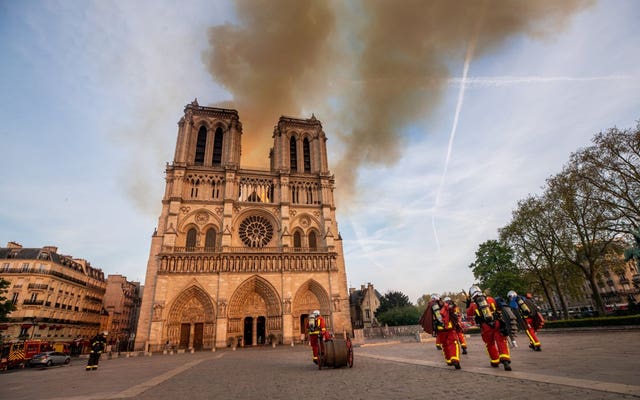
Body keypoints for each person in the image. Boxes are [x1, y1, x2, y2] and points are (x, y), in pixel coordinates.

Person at [466, 286, 512, 371]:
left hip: (485, 326)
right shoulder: (490, 299)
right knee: (501, 341)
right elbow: (498, 308)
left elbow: (468, 313)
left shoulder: (473, 305)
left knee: (490, 344)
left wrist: (468, 304)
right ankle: (505, 359)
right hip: (496, 323)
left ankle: (495, 361)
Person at [420, 294, 461, 369]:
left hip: (440, 330)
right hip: (449, 328)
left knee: (444, 345)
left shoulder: (430, 308)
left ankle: (449, 360)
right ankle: (454, 359)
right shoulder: (444, 304)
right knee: (453, 343)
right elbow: (453, 312)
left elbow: (429, 319)